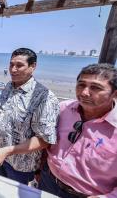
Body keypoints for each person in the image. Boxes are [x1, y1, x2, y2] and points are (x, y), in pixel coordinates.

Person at [39, 63, 117, 198]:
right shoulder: (63, 108)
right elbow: (48, 141)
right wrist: (40, 169)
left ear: (114, 93)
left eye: (96, 88)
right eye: (81, 85)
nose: (84, 93)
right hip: (48, 181)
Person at [0, 48, 59, 185]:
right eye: (11, 65)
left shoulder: (44, 97)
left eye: (19, 65)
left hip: (20, 167)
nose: (13, 70)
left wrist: (8, 151)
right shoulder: (9, 87)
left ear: (33, 66)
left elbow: (44, 140)